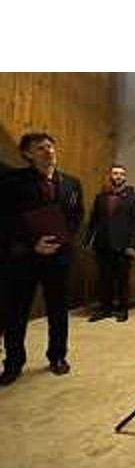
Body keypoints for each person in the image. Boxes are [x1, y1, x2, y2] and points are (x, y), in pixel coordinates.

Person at [0, 133, 84, 387]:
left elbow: (76, 216)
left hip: (59, 257)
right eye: (40, 148)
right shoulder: (13, 181)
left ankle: (57, 356)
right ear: (27, 154)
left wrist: (63, 238)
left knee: (58, 310)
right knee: (16, 312)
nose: (48, 151)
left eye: (50, 146)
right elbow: (7, 219)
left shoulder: (71, 183)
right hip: (24, 257)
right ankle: (13, 363)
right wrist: (32, 243)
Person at [86, 165, 135, 323]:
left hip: (123, 246)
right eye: (115, 173)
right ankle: (105, 309)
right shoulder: (100, 197)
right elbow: (94, 221)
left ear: (125, 177)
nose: (118, 176)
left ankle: (123, 309)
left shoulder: (134, 198)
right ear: (110, 176)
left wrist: (132, 245)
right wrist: (87, 241)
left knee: (122, 280)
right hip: (103, 245)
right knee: (104, 279)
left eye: (121, 174)